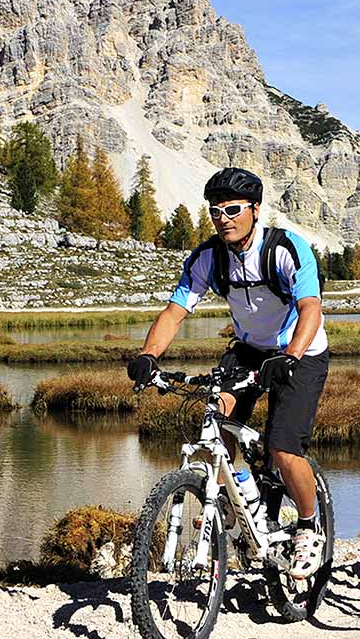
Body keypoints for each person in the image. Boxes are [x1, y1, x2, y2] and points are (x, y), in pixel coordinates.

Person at [127, 167, 329, 579]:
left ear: (255, 210)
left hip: (300, 352)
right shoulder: (208, 257)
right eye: (215, 211)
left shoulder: (287, 249)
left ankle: (309, 526)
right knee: (215, 422)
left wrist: (290, 354)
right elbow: (176, 310)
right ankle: (237, 502)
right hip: (250, 351)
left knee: (283, 447)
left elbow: (311, 308)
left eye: (233, 209)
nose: (223, 218)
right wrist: (149, 356)